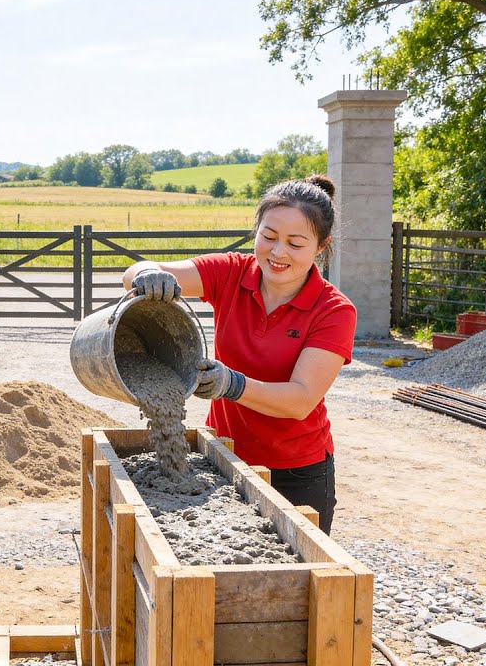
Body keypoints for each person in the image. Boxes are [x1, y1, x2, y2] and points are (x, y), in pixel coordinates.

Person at [121, 175, 356, 534]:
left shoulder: (334, 311)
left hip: (295, 470)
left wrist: (232, 384)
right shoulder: (232, 273)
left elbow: (300, 400)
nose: (278, 253)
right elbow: (134, 271)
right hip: (224, 455)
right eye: (269, 236)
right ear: (256, 230)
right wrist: (149, 273)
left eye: (295, 243)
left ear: (320, 247)